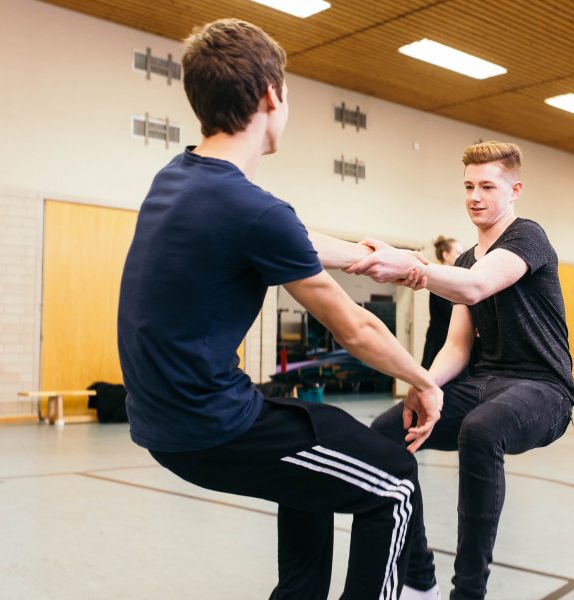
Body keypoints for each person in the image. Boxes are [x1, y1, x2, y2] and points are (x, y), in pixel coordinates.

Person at [117, 19, 443, 600]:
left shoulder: (180, 178)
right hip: (212, 425)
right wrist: (422, 381)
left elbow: (288, 235)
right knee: (394, 481)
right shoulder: (250, 209)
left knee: (313, 454)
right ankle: (414, 581)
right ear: (272, 95)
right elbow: (360, 330)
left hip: (166, 420)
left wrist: (369, 256)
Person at [349, 141, 574, 600]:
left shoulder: (528, 237)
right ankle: (418, 576)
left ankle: (468, 592)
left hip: (543, 390)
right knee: (386, 432)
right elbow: (456, 346)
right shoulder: (465, 259)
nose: (475, 196)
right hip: (483, 383)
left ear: (515, 190)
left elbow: (476, 288)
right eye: (469, 186)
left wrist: (412, 266)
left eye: (487, 186)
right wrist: (423, 387)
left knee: (480, 431)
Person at [421, 236, 464, 369]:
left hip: (449, 338)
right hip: (440, 339)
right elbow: (449, 312)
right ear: (446, 255)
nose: (462, 256)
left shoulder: (454, 277)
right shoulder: (440, 278)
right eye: (458, 252)